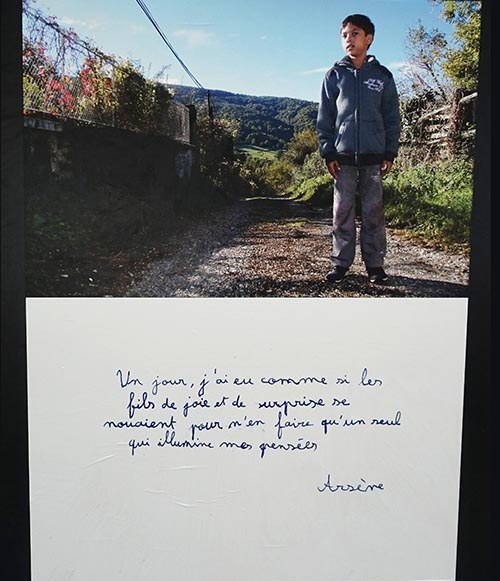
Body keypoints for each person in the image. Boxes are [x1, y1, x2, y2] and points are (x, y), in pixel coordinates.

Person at [316, 13, 400, 284]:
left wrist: (389, 152)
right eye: (344, 35)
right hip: (343, 160)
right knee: (342, 213)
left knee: (374, 213)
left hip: (374, 158)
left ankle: (375, 266)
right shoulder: (334, 75)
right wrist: (328, 151)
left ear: (369, 38)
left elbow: (391, 116)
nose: (348, 39)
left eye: (354, 34)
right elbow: (325, 117)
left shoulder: (382, 76)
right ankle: (340, 264)